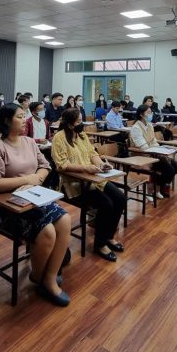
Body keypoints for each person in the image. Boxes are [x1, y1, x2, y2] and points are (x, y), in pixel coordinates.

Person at [0, 104, 71, 307]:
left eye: (25, 116)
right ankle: (40, 277)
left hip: (34, 197)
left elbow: (45, 166)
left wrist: (35, 179)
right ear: (6, 121)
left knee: (64, 220)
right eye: (20, 116)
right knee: (47, 231)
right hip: (6, 206)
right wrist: (27, 180)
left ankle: (49, 274)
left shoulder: (29, 142)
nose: (25, 120)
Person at [52, 108, 125, 263]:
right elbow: (62, 164)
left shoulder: (82, 135)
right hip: (74, 183)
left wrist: (102, 165)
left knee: (120, 198)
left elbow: (92, 154)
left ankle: (109, 236)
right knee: (107, 205)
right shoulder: (59, 137)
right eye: (78, 121)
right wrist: (86, 168)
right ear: (70, 124)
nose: (82, 124)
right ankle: (100, 244)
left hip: (93, 178)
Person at [130, 104, 177, 199]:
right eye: (148, 113)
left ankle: (158, 187)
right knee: (169, 169)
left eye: (151, 112)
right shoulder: (136, 128)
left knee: (176, 166)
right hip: (142, 157)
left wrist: (162, 150)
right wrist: (158, 152)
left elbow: (153, 141)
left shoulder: (149, 125)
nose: (151, 114)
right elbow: (143, 147)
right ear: (141, 114)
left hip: (153, 154)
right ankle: (152, 189)